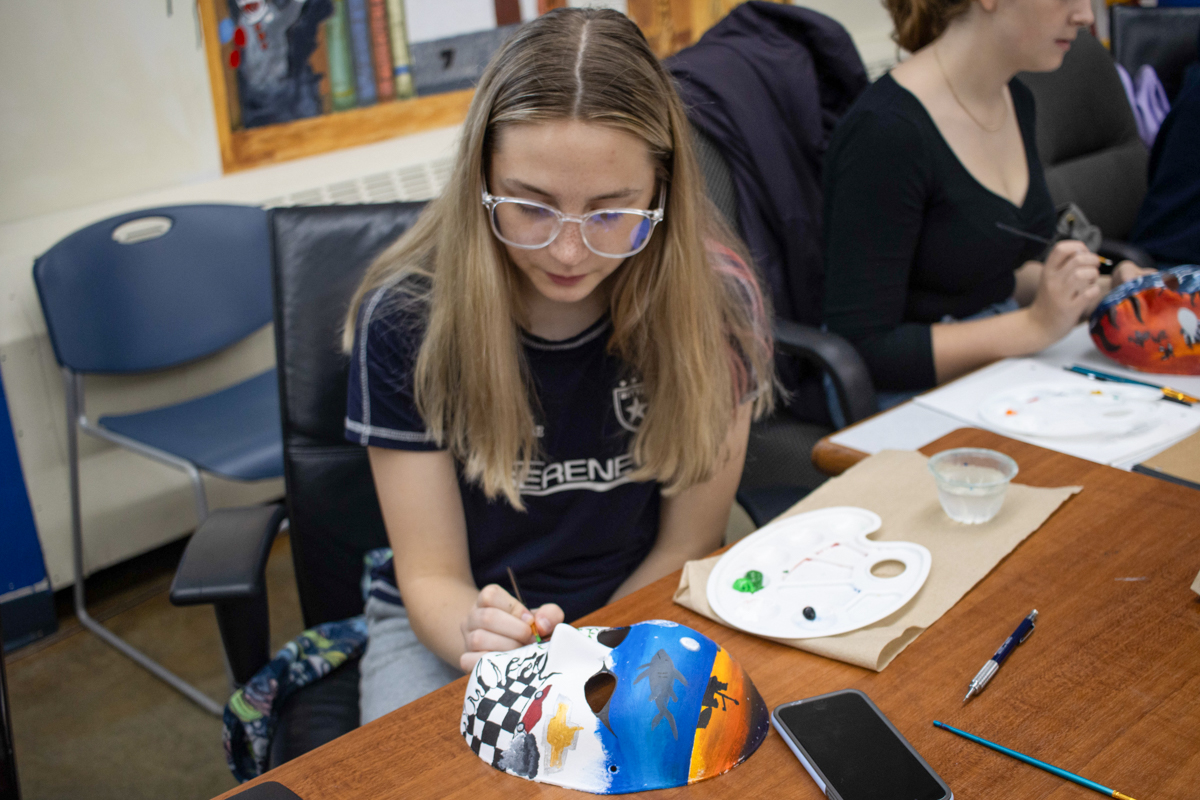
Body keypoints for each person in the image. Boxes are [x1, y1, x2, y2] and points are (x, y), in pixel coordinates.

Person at [341, 7, 774, 724]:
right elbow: (431, 576)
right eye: (531, 207)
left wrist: (588, 654)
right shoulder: (408, 318)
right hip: (456, 625)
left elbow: (688, 541)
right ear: (481, 179)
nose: (568, 253)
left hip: (644, 594)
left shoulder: (718, 303)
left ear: (663, 191)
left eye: (611, 211)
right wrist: (482, 636)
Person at [822, 0, 1152, 409]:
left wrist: (1100, 290)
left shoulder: (1016, 98)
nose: (1085, 15)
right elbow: (865, 349)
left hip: (1000, 372)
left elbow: (986, 275)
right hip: (910, 403)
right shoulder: (886, 132)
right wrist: (1034, 326)